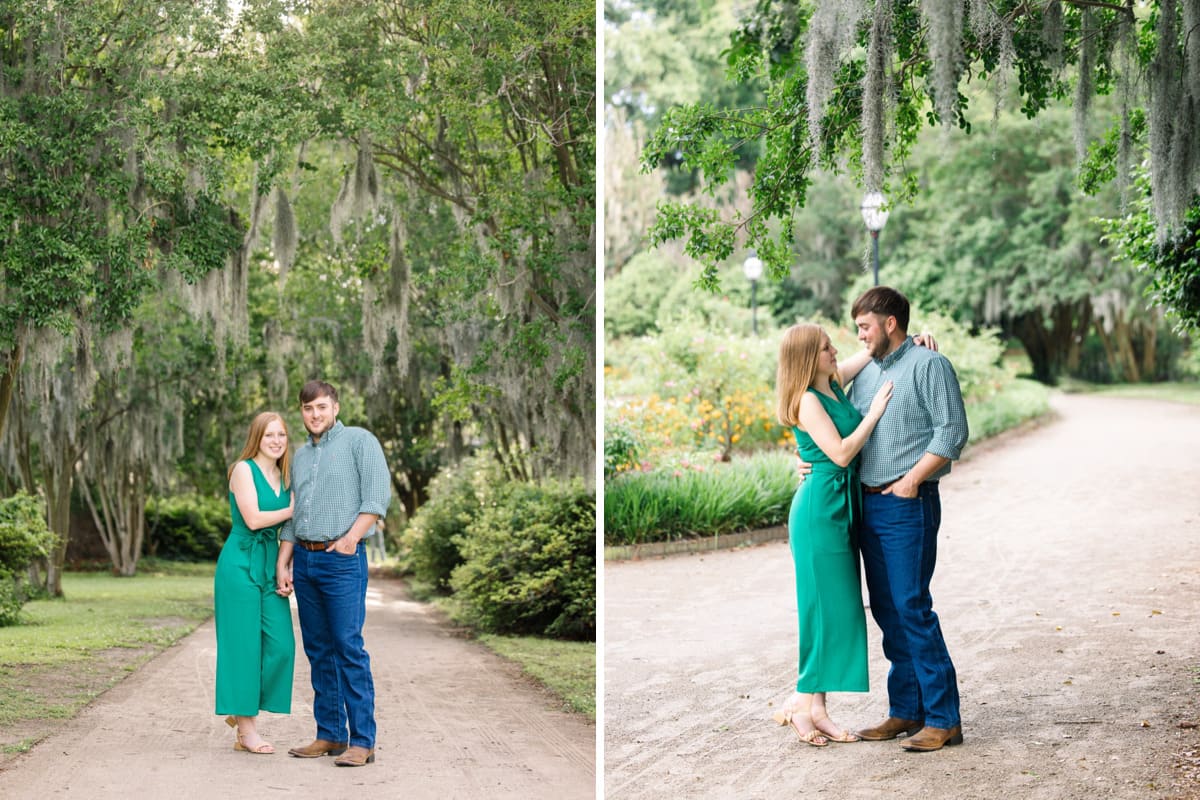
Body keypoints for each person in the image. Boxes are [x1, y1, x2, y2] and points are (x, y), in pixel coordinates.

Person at [843, 286, 969, 752]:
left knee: (912, 607)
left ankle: (943, 718)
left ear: (889, 323)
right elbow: (848, 431)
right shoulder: (867, 374)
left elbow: (953, 431)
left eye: (864, 327)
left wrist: (913, 480)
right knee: (889, 612)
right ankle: (906, 710)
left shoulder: (930, 364)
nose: (859, 335)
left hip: (907, 505)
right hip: (868, 506)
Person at [773, 323, 893, 746]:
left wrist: (917, 339)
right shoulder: (807, 399)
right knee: (821, 609)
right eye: (826, 348)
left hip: (841, 508)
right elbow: (841, 453)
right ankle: (803, 704)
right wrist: (875, 413)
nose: (834, 350)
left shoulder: (833, 384)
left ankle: (815, 707)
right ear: (808, 357)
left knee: (836, 610)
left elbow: (871, 354)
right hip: (819, 513)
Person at [276, 380, 391, 767]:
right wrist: (284, 561)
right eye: (308, 409)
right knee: (319, 650)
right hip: (305, 563)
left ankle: (362, 740)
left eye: (321, 407)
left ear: (335, 407)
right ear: (302, 412)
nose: (315, 415)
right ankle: (329, 735)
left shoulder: (360, 441)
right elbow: (294, 514)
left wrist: (350, 539)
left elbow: (376, 496)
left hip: (342, 560)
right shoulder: (301, 456)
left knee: (347, 648)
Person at [214, 411, 296, 755]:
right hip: (238, 564)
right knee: (243, 648)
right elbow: (254, 518)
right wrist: (295, 508)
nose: (276, 441)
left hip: (268, 565)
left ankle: (240, 703)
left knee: (282, 646)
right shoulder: (242, 469)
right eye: (268, 435)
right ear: (256, 439)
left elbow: (290, 531)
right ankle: (247, 730)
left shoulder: (285, 475)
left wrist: (283, 563)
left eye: (281, 435)